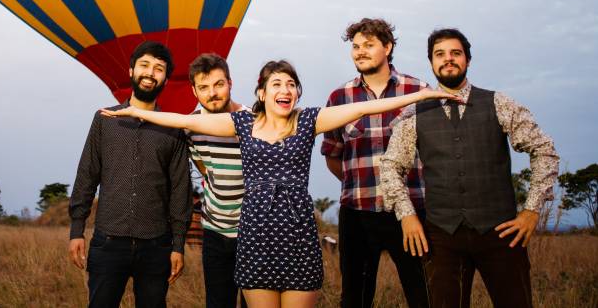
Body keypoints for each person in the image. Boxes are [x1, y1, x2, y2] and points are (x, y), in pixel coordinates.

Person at [102, 59, 459, 308]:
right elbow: (185, 121)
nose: (285, 89)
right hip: (255, 238)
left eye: (291, 84)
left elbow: (368, 109)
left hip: (298, 237)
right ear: (262, 93)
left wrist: (422, 95)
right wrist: (136, 111)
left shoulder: (309, 122)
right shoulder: (242, 124)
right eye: (277, 84)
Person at [378, 28, 560, 308]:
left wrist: (531, 211)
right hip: (441, 235)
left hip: (501, 232)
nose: (448, 59)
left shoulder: (499, 103)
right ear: (431, 62)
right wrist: (406, 215)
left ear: (468, 60)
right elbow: (390, 166)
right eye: (440, 54)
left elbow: (544, 149)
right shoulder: (415, 112)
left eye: (456, 53)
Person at [67, 41, 192, 307]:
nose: (150, 73)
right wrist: (77, 229)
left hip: (156, 246)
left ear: (166, 79)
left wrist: (178, 245)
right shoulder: (105, 120)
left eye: (159, 69)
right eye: (144, 65)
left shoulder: (174, 128)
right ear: (131, 70)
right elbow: (87, 175)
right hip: (108, 241)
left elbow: (181, 188)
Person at [321, 18, 430, 307]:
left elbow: (436, 150)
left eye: (369, 45)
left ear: (388, 47)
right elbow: (333, 154)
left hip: (411, 211)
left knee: (424, 293)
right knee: (355, 297)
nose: (360, 51)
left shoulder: (418, 90)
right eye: (356, 46)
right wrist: (357, 185)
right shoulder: (339, 97)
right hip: (358, 213)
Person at [184, 54, 248, 308]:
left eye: (219, 84)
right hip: (214, 231)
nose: (212, 93)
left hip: (253, 231)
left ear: (230, 83)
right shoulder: (190, 126)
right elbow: (205, 169)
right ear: (194, 90)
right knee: (217, 302)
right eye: (204, 87)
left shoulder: (253, 121)